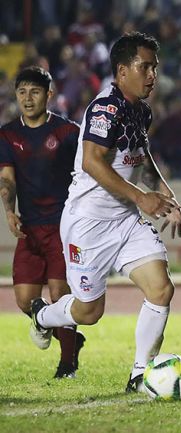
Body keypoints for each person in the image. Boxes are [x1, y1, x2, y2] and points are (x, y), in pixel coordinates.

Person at [28, 32, 181, 393]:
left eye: (155, 68)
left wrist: (166, 196)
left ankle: (140, 374)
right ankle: (42, 315)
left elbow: (141, 159)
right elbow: (93, 162)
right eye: (144, 67)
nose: (152, 75)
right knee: (89, 313)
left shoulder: (140, 110)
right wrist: (143, 198)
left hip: (125, 222)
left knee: (160, 289)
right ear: (122, 69)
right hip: (88, 225)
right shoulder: (105, 108)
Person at [0, 66, 85, 378]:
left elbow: (89, 169)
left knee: (60, 294)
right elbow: (6, 180)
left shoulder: (68, 133)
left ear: (49, 95)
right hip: (29, 229)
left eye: (34, 91)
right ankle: (68, 336)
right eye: (22, 92)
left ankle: (67, 365)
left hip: (63, 228)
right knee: (25, 301)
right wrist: (9, 211)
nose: (27, 98)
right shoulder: (7, 134)